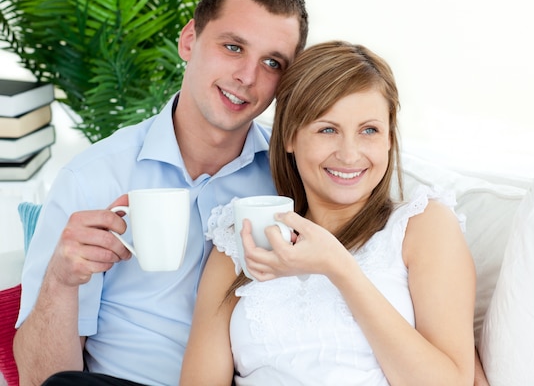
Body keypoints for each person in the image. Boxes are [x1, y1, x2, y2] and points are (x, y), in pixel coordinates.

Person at [13, 0, 308, 386]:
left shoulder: (292, 181)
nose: (248, 76)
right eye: (233, 47)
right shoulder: (93, 178)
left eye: (272, 62)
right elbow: (42, 379)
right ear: (189, 40)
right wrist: (61, 280)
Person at [180, 40, 477, 385]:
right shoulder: (239, 240)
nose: (350, 155)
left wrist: (339, 268)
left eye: (369, 130)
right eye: (327, 129)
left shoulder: (423, 226)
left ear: (390, 140)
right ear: (289, 136)